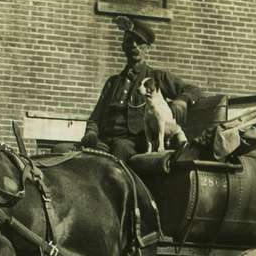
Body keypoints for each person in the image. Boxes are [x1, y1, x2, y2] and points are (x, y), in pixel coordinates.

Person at [81, 16, 204, 161]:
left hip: (133, 143)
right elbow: (95, 118)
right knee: (65, 152)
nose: (134, 45)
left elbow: (193, 90)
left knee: (119, 150)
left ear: (148, 49)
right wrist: (91, 133)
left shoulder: (156, 78)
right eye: (129, 41)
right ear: (123, 47)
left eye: (139, 42)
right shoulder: (112, 83)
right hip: (104, 142)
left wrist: (181, 101)